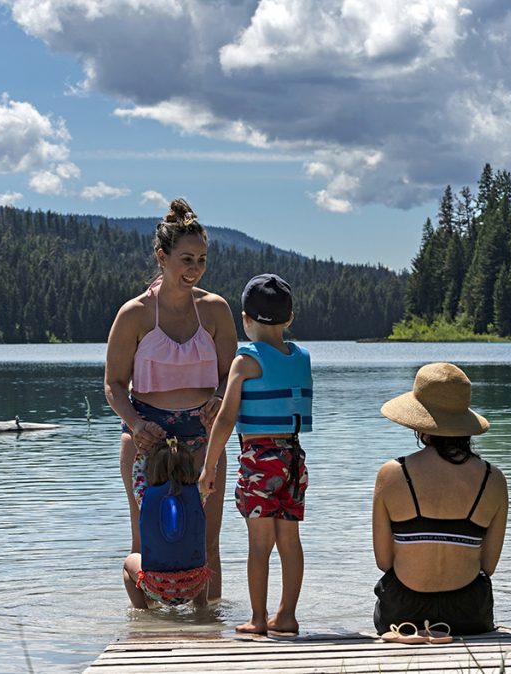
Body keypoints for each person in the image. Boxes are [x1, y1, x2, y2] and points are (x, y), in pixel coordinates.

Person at [104, 198, 238, 609]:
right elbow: (113, 384)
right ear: (162, 258)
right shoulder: (135, 314)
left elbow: (230, 375)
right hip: (147, 441)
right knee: (147, 542)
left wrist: (219, 397)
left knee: (207, 543)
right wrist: (135, 423)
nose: (195, 268)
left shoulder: (215, 310)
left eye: (201, 259)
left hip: (203, 440)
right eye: (186, 259)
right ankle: (148, 631)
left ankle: (208, 630)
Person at [199, 273, 311, 636]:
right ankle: (287, 615)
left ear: (244, 319)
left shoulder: (245, 359)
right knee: (289, 542)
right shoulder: (301, 356)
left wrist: (209, 465)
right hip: (293, 457)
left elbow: (228, 416)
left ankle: (259, 619)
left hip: (259, 458)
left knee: (259, 544)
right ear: (290, 318)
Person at [372, 362, 508, 638]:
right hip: (469, 614)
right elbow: (488, 566)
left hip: (402, 613)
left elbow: (384, 561)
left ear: (420, 424)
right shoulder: (493, 479)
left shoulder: (393, 474)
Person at [124, 437, 212, 606]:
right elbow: (208, 469)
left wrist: (143, 451)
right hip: (194, 585)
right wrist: (208, 439)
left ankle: (142, 612)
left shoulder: (144, 496)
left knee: (129, 563)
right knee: (203, 556)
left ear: (153, 469)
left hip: (158, 588)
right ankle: (201, 608)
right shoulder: (199, 494)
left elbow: (137, 473)